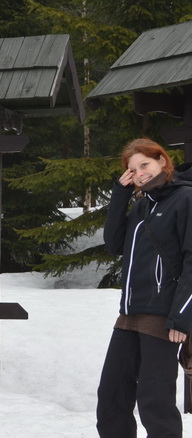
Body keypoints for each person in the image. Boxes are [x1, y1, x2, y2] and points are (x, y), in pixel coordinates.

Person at [97, 138, 192, 438]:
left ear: (163, 161)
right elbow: (114, 244)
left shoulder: (186, 199)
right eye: (133, 170)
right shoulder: (141, 206)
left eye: (145, 165)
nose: (140, 174)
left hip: (162, 317)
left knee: (155, 400)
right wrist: (120, 194)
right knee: (111, 395)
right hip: (129, 315)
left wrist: (181, 316)